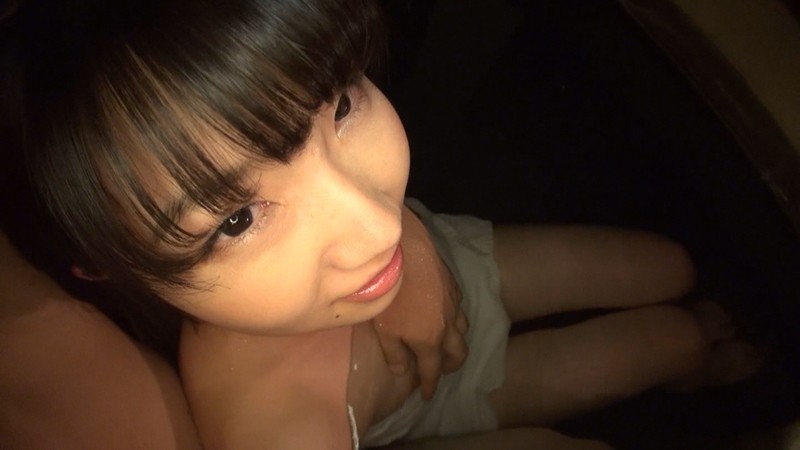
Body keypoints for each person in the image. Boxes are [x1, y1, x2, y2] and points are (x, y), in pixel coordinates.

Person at [7, 0, 760, 449]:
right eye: (235, 219)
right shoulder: (273, 430)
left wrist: (424, 259)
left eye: (339, 105)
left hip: (460, 260)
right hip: (446, 398)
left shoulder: (371, 231)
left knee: (672, 267)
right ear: (112, 266)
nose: (374, 225)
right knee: (673, 342)